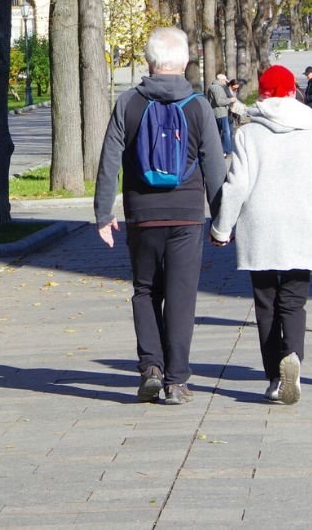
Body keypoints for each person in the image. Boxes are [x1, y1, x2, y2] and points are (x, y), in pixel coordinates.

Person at [94, 27, 227, 406]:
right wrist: (221, 220)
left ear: (150, 61)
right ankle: (177, 380)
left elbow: (109, 161)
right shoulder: (198, 105)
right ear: (184, 61)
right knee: (182, 297)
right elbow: (214, 167)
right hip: (186, 215)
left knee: (145, 290)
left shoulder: (128, 103)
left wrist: (104, 213)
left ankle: (150, 368)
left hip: (142, 215)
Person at [209, 65, 312, 405]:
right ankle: (292, 357)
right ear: (293, 93)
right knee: (293, 303)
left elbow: (236, 187)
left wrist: (221, 228)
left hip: (260, 228)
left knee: (266, 305)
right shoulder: (311, 134)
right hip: (301, 227)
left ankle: (274, 379)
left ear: (262, 95)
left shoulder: (248, 134)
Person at [207, 73, 237, 154]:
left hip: (216, 113)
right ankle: (226, 150)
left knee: (220, 132)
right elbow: (219, 101)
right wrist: (230, 100)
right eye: (224, 80)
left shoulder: (213, 87)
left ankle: (221, 150)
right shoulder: (217, 88)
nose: (225, 82)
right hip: (221, 113)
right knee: (225, 132)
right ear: (220, 80)